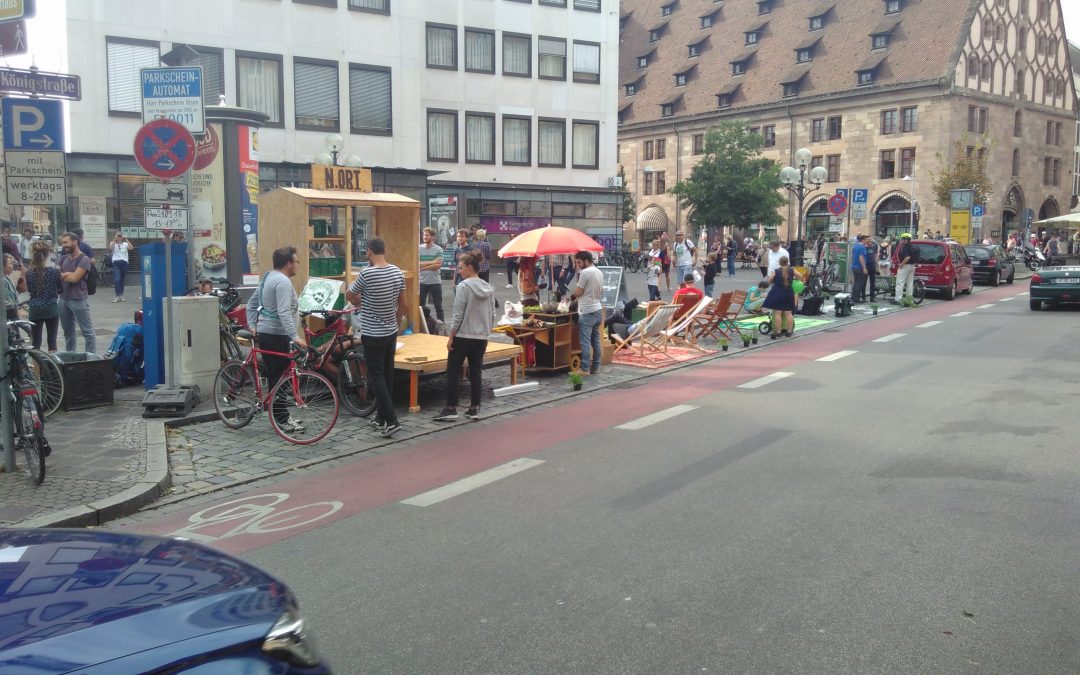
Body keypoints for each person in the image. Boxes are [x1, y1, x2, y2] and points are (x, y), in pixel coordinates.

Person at [346, 237, 406, 438]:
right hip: (391, 332)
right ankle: (381, 416)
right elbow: (403, 304)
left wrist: (360, 299)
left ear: (369, 252)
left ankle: (392, 420)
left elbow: (349, 295)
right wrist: (396, 323)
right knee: (387, 375)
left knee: (375, 377)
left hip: (372, 334)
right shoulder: (397, 272)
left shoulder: (366, 273)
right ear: (385, 251)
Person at [247, 247, 306, 433]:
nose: (297, 265)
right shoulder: (282, 282)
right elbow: (283, 311)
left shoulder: (268, 278)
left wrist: (253, 324)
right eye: (296, 262)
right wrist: (295, 336)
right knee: (279, 379)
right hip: (276, 335)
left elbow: (251, 304)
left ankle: (281, 416)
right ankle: (281, 419)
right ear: (288, 264)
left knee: (278, 376)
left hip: (269, 334)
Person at [433, 251, 495, 422]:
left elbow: (458, 314)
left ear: (469, 267)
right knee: (476, 371)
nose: (459, 271)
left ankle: (451, 408)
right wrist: (486, 332)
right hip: (481, 336)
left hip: (463, 335)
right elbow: (492, 314)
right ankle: (474, 407)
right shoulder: (488, 287)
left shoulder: (463, 286)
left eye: (461, 268)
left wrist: (451, 336)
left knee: (453, 370)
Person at [57, 232, 96, 353]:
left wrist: (65, 275)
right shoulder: (63, 258)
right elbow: (56, 276)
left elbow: (74, 279)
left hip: (78, 299)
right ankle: (70, 356)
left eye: (66, 242)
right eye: (62, 243)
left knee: (87, 332)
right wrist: (69, 274)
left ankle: (91, 358)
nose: (63, 245)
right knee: (68, 332)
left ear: (75, 242)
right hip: (62, 299)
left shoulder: (84, 259)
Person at [570, 250, 604, 376]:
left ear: (586, 261)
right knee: (596, 341)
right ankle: (596, 367)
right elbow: (601, 291)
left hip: (587, 311)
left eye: (579, 262)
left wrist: (572, 297)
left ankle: (584, 369)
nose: (577, 265)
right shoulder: (599, 272)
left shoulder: (585, 273)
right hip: (597, 309)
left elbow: (579, 291)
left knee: (585, 342)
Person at [25, 241, 61, 351]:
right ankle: (52, 361)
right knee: (52, 342)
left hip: (35, 309)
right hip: (51, 308)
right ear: (47, 254)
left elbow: (30, 289)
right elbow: (60, 289)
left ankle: (36, 362)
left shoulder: (29, 273)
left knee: (36, 342)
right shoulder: (55, 271)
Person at [763, 255, 802, 338]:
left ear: (780, 263)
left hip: (778, 292)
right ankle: (789, 331)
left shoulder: (776, 271)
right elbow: (800, 276)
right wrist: (795, 280)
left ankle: (778, 331)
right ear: (787, 262)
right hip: (788, 292)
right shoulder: (792, 270)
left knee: (778, 312)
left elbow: (769, 281)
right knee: (788, 313)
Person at [418, 227, 445, 322]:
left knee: (438, 307)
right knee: (420, 306)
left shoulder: (438, 249)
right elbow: (417, 263)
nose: (424, 237)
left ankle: (442, 325)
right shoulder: (419, 248)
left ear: (432, 237)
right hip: (422, 282)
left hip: (435, 282)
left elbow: (438, 265)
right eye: (424, 235)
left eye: (427, 235)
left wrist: (423, 267)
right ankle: (422, 324)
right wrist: (432, 261)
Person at [107, 231, 133, 302]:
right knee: (117, 279)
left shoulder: (125, 244)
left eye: (120, 235)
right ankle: (117, 296)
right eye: (117, 235)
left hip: (124, 263)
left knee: (122, 280)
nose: (119, 237)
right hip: (116, 263)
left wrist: (126, 239)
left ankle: (121, 295)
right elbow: (110, 248)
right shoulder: (113, 243)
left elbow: (131, 248)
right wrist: (114, 239)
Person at [892, 232, 916, 304]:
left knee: (900, 283)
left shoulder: (905, 247)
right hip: (912, 266)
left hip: (905, 266)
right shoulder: (912, 246)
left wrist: (901, 265)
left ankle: (898, 299)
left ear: (906, 240)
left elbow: (907, 257)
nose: (901, 240)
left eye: (902, 239)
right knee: (910, 284)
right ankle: (909, 299)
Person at [3, 253, 26, 321]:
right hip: (9, 316)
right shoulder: (3, 282)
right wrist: (18, 311)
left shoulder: (7, 278)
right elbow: (8, 302)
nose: (12, 265)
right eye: (10, 263)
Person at [849, 234, 869, 303]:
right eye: (866, 239)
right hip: (859, 267)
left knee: (856, 282)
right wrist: (864, 268)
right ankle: (856, 298)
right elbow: (861, 258)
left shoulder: (855, 246)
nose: (867, 240)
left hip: (854, 267)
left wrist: (852, 264)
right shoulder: (862, 247)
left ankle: (853, 297)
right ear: (863, 240)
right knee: (859, 283)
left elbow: (852, 256)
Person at [864, 236, 879, 302]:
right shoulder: (863, 248)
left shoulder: (874, 247)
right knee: (864, 282)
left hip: (872, 266)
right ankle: (863, 296)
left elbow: (875, 258)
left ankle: (872, 297)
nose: (870, 242)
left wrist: (877, 268)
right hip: (866, 266)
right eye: (869, 241)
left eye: (871, 241)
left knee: (872, 283)